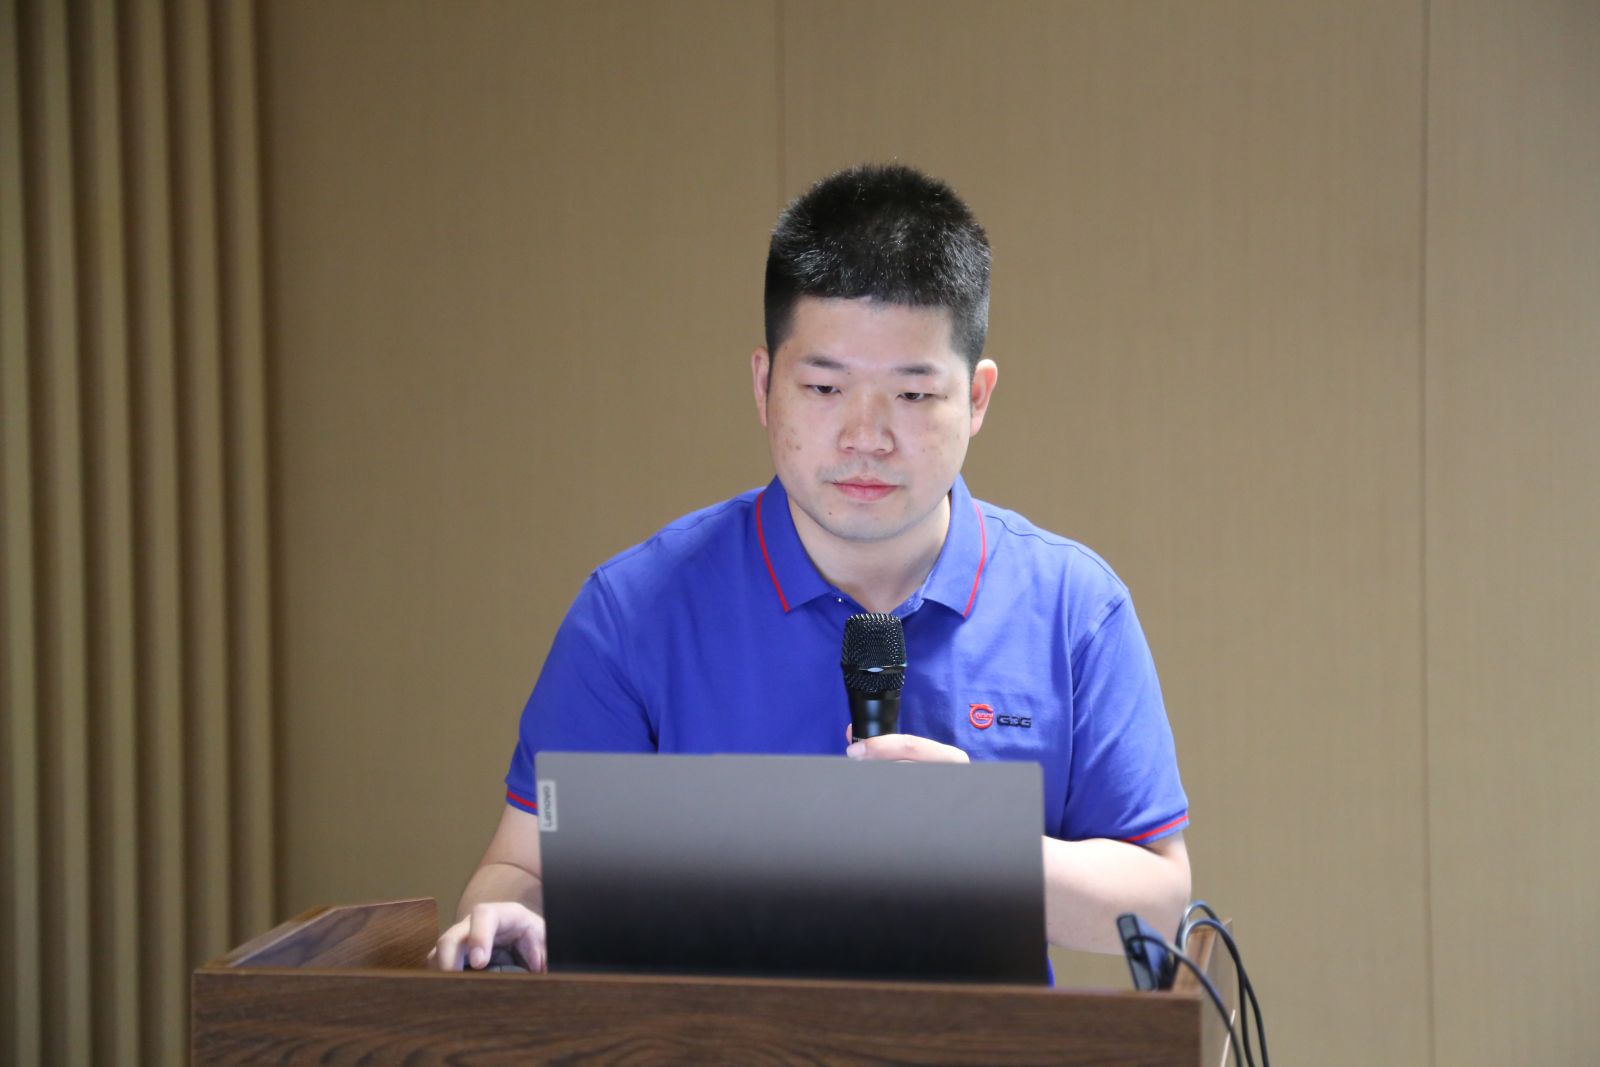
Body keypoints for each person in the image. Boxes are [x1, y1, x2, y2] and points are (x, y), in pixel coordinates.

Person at [429, 163, 1189, 973]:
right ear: (765, 385)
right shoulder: (633, 609)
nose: (866, 436)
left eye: (913, 395)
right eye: (825, 386)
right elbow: (523, 869)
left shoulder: (1075, 608)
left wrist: (984, 848)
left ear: (977, 397)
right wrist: (500, 915)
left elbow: (1162, 903)